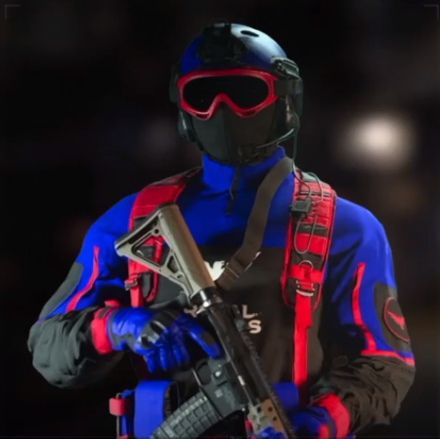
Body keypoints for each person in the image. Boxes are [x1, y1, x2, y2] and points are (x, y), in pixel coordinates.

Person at [28, 22, 415, 438]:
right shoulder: (133, 221)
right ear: (183, 108)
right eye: (203, 95)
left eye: (245, 93)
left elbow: (385, 363)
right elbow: (48, 348)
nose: (221, 109)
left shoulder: (344, 226)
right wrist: (121, 325)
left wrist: (320, 422)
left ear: (284, 101)